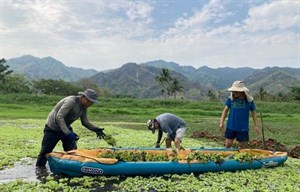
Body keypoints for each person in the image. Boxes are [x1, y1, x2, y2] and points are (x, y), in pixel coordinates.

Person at [36, 89, 106, 167]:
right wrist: (68, 133)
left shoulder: (84, 107)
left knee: (72, 151)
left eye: (92, 102)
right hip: (53, 128)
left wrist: (95, 129)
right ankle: (39, 170)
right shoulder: (71, 101)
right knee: (45, 152)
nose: (91, 104)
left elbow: (84, 121)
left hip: (65, 128)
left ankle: (69, 169)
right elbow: (59, 117)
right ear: (83, 97)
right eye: (89, 101)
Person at [219, 81, 259, 148]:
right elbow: (225, 110)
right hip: (231, 126)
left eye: (236, 91)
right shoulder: (231, 99)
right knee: (228, 144)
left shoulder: (249, 101)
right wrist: (221, 122)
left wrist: (256, 126)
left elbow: (254, 113)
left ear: (242, 91)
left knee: (242, 147)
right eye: (233, 91)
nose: (234, 93)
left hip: (243, 128)